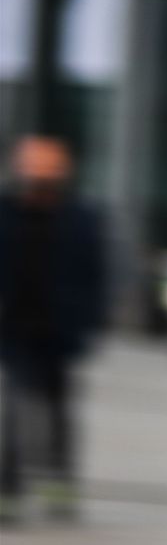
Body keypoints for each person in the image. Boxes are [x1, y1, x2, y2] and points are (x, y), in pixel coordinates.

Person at [0, 135, 108, 523]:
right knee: (14, 407)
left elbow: (95, 277)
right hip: (14, 328)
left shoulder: (80, 217)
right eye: (32, 174)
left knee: (58, 411)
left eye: (46, 175)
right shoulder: (8, 213)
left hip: (60, 331)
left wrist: (90, 325)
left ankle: (60, 486)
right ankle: (8, 491)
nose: (38, 183)